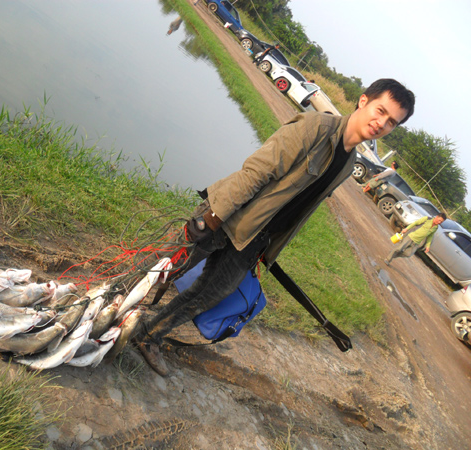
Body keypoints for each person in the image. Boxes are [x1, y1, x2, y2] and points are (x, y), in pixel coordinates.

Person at [138, 78, 415, 376]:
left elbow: (301, 207)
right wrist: (213, 217)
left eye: (391, 122)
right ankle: (108, 306)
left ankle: (148, 334)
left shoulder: (348, 165)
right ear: (363, 101)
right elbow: (258, 170)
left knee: (207, 295)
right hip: (228, 216)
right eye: (380, 110)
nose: (381, 123)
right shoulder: (316, 127)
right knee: (162, 269)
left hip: (255, 239)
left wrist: (268, 251)